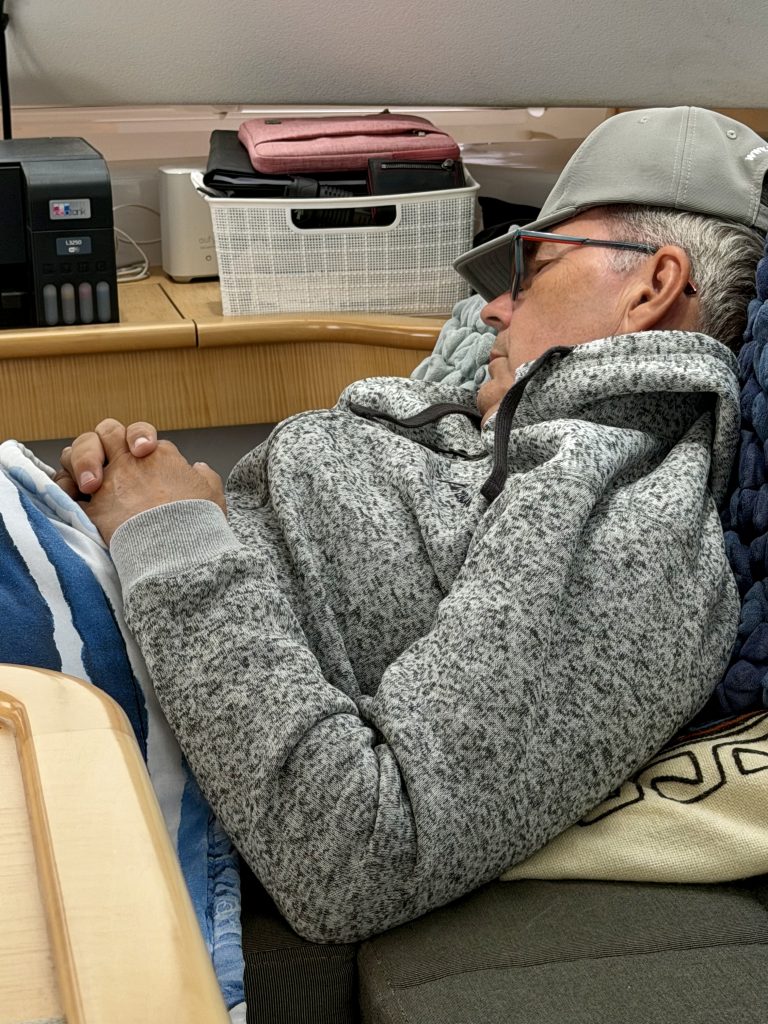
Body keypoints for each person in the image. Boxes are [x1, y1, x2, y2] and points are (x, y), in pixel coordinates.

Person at [56, 107, 768, 943]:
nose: (492, 310)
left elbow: (356, 859)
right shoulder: (503, 432)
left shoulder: (626, 526)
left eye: (533, 268)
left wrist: (175, 541)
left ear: (652, 286)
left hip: (78, 713)